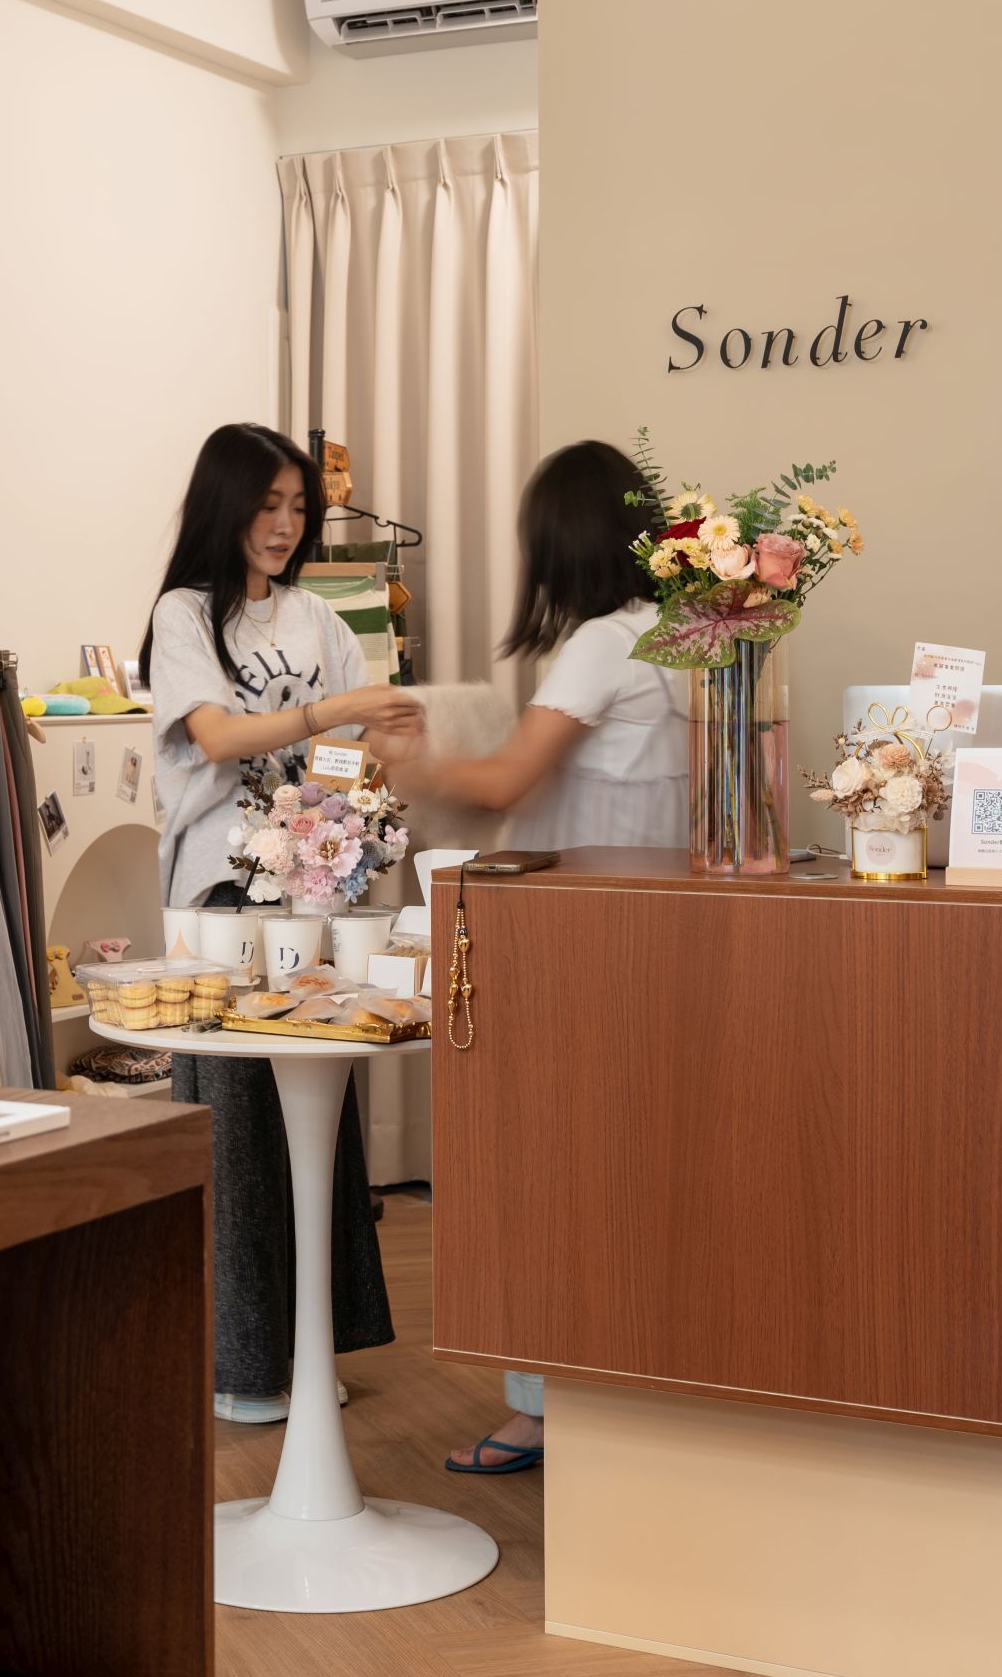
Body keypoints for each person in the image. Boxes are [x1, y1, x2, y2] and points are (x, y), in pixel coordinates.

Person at [373, 438, 688, 1475]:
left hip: (575, 944)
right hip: (655, 938)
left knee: (549, 1176)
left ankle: (546, 1407)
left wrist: (413, 762)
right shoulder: (685, 638)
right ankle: (624, 1389)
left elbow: (508, 782)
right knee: (628, 1173)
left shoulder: (601, 641)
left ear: (559, 542)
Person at [143, 423, 414, 1421]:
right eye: (267, 505)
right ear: (227, 505)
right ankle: (241, 1364)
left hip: (312, 890)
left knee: (318, 1118)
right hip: (218, 895)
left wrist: (344, 800)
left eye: (299, 506)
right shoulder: (183, 614)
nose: (286, 524)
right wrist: (326, 718)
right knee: (236, 1129)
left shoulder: (317, 616)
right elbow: (216, 737)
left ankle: (309, 1343)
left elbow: (351, 748)